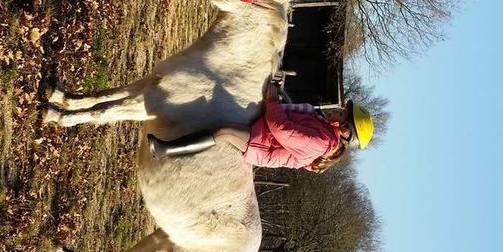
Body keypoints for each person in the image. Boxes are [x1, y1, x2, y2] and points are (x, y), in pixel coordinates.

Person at [147, 83, 374, 172]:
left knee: (223, 132)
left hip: (265, 146)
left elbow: (281, 129)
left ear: (344, 127)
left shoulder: (321, 142)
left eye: (342, 113)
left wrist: (272, 100)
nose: (338, 109)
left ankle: (166, 150)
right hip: (266, 134)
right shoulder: (323, 128)